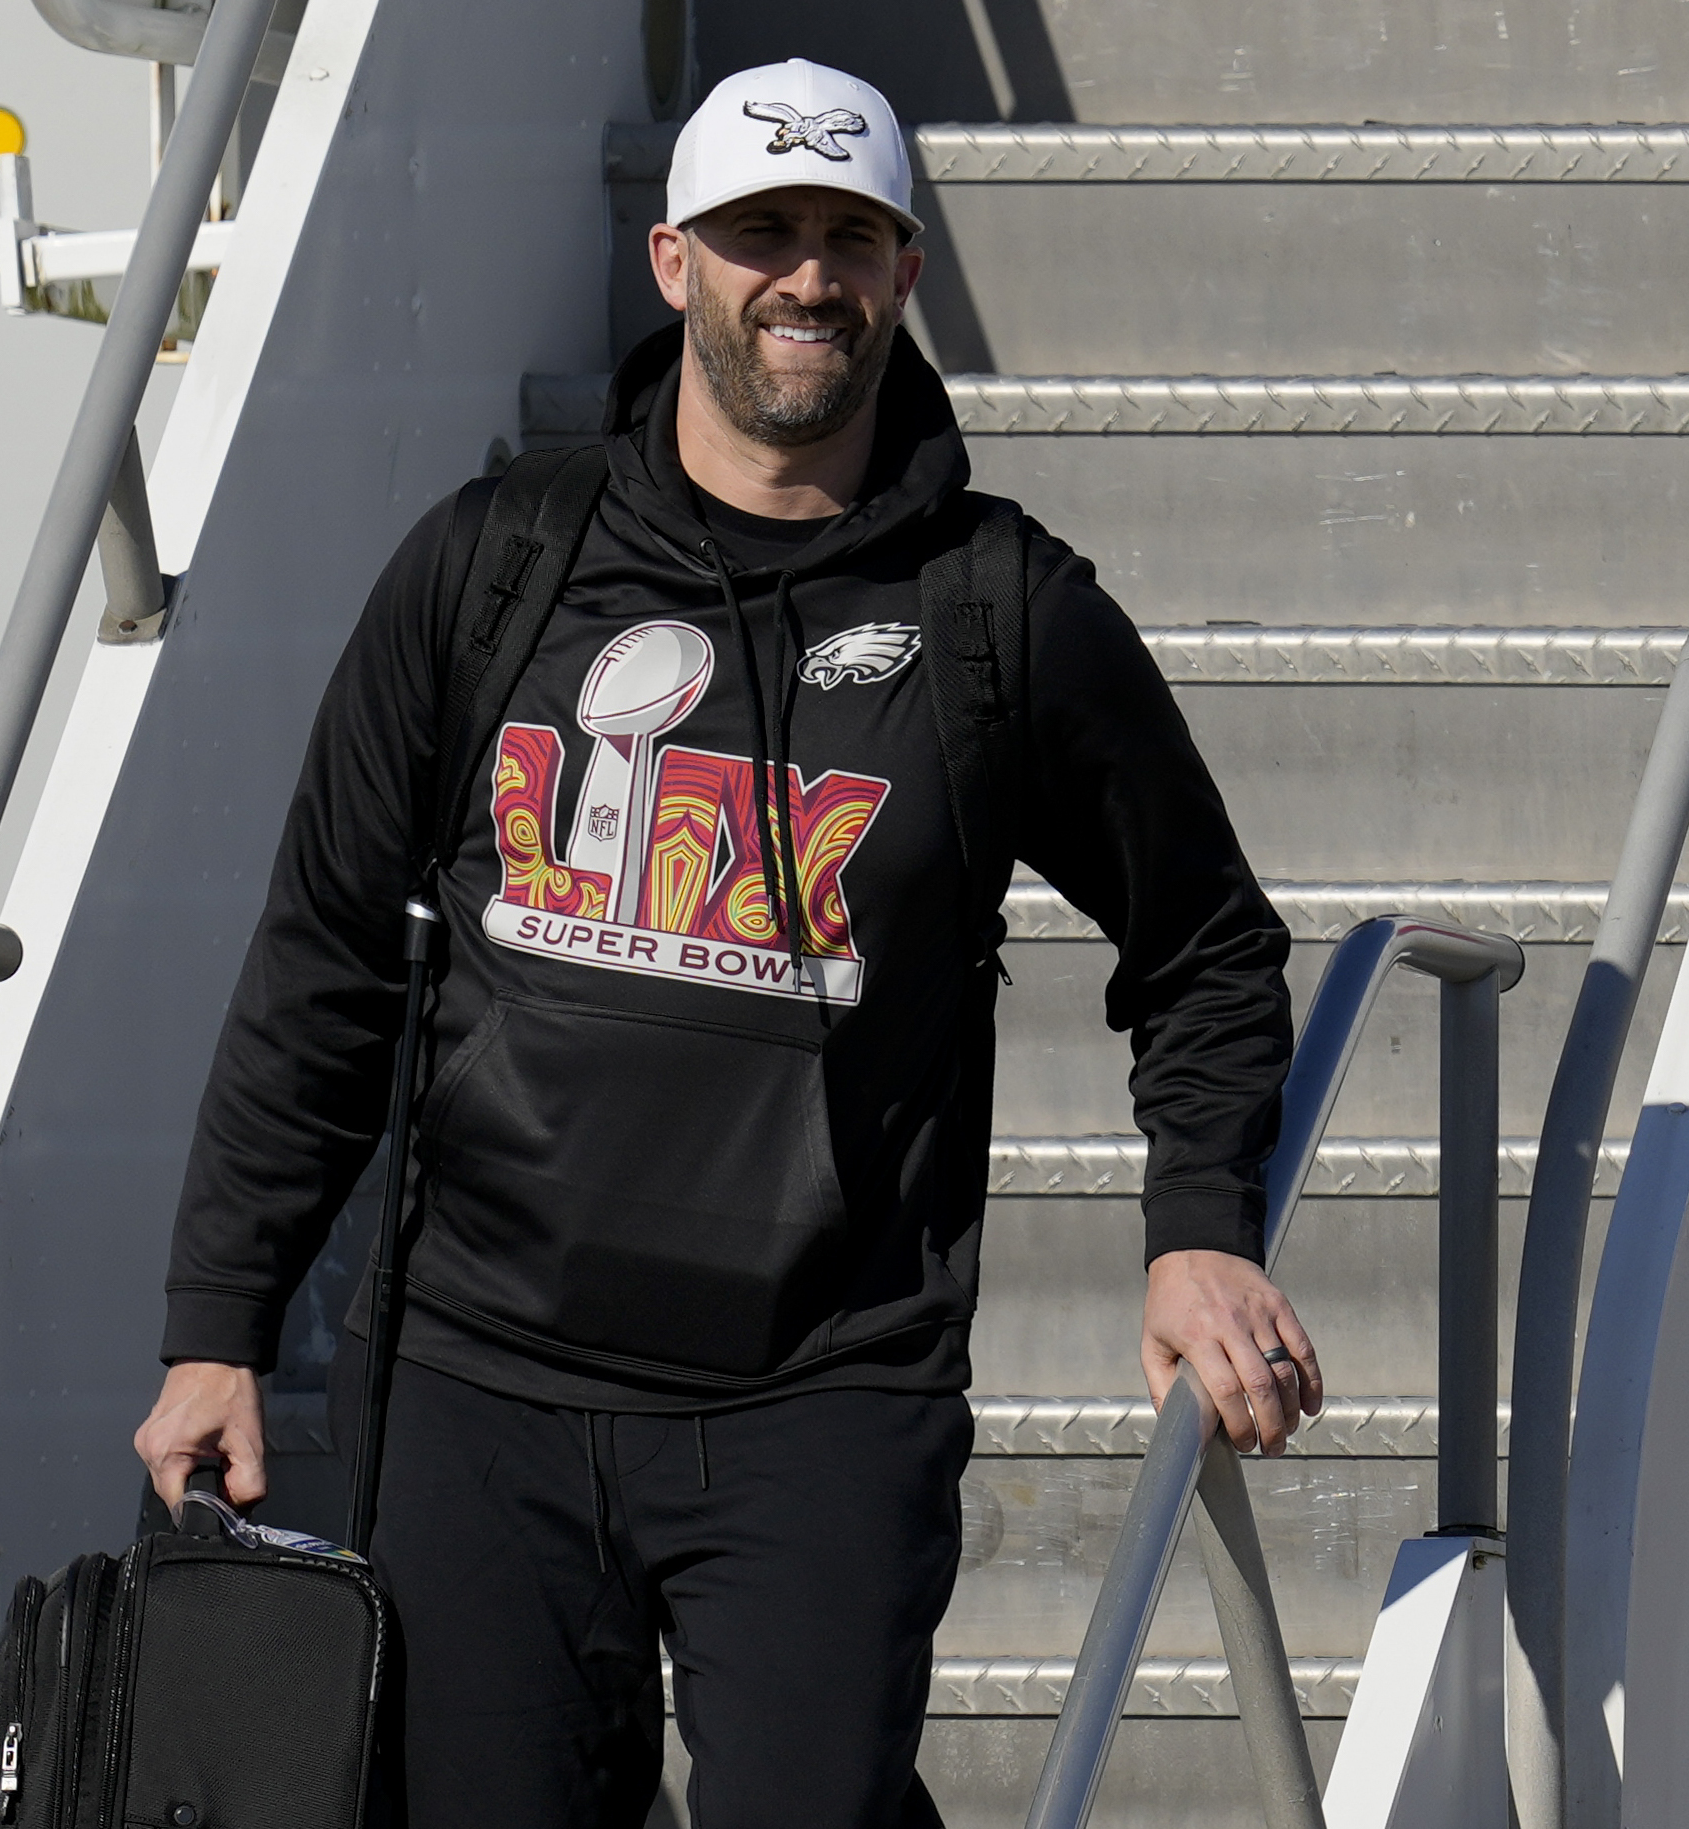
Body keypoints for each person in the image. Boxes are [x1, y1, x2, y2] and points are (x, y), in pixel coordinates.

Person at [135, 57, 1313, 1829]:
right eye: (765, 231)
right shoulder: (489, 571)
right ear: (675, 259)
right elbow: (321, 961)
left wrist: (1196, 1228)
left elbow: (1207, 946)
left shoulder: (999, 613)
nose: (809, 277)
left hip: (821, 1398)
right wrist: (220, 1318)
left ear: (908, 274)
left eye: (852, 234)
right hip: (482, 1380)